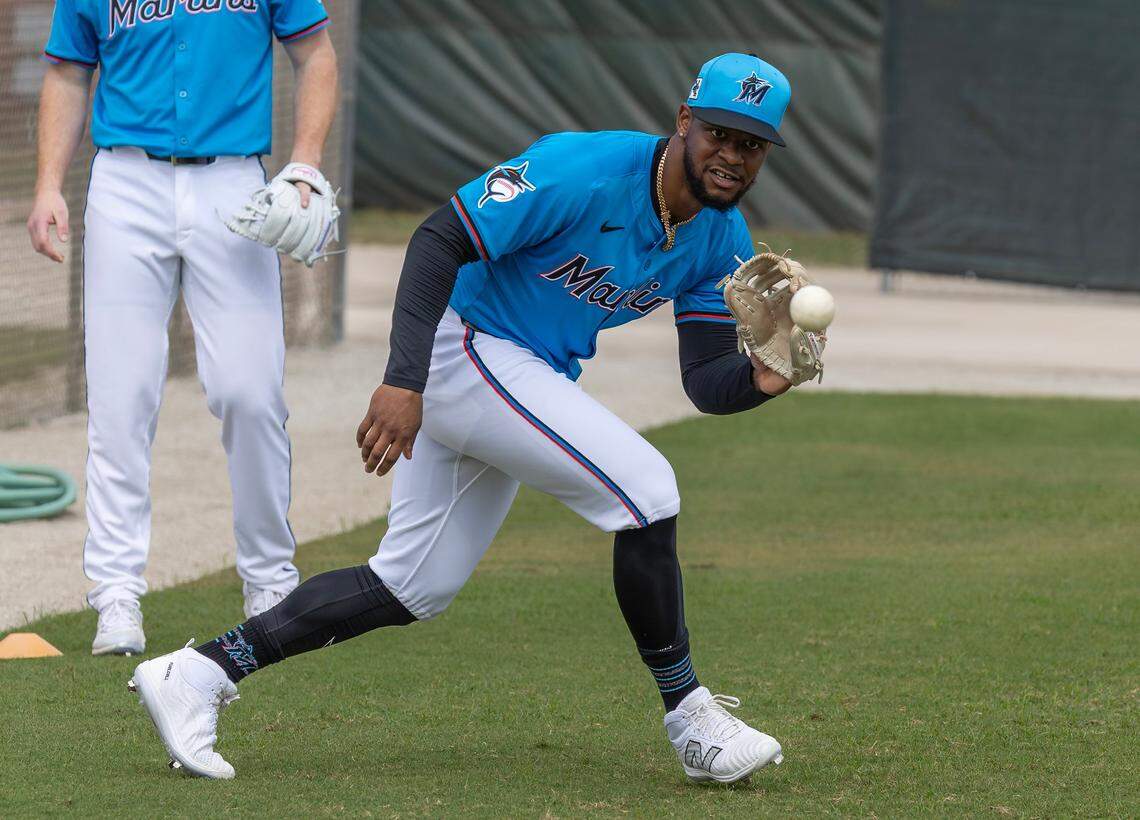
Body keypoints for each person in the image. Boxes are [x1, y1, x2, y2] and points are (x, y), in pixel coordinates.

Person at [130, 52, 796, 784]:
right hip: (464, 347)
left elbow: (705, 381)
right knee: (647, 490)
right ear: (684, 121)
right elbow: (439, 238)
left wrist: (766, 375)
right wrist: (403, 379)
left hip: (515, 374)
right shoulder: (585, 168)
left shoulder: (721, 238)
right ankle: (690, 717)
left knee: (412, 585)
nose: (732, 156)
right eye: (719, 134)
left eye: (751, 144)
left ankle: (196, 672)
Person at [26, 0, 340, 656]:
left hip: (232, 183)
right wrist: (49, 185)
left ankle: (269, 580)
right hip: (123, 183)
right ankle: (115, 591)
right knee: (120, 396)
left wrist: (306, 161)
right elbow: (66, 73)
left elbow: (315, 53)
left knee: (250, 392)